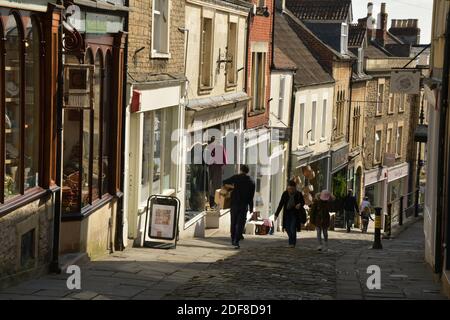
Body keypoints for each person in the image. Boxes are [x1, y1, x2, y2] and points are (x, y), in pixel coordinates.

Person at [222, 165, 255, 249]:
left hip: (234, 203)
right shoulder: (251, 181)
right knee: (240, 223)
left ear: (241, 170)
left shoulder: (236, 177)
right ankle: (236, 240)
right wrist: (251, 208)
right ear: (247, 171)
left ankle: (233, 238)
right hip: (244, 205)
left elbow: (224, 181)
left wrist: (231, 188)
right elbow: (251, 197)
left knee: (233, 221)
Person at [274, 180, 306, 248]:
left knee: (292, 228)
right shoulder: (285, 194)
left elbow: (303, 202)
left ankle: (292, 243)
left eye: (292, 189)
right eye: (289, 189)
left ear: (295, 188)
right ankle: (291, 240)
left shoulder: (298, 194)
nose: (290, 190)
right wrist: (276, 214)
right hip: (287, 213)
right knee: (287, 228)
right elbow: (281, 204)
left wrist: (299, 204)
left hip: (295, 213)